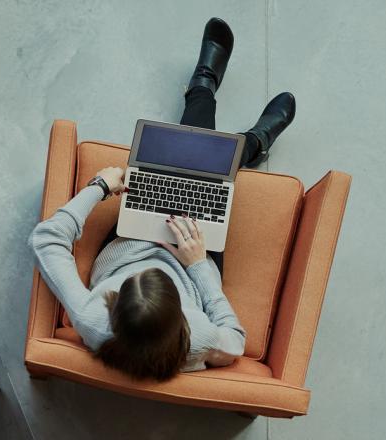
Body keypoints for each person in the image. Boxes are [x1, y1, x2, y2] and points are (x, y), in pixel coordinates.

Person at [27, 17, 295, 383]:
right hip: (194, 254)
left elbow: (45, 239)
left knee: (190, 160)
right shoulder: (198, 336)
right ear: (180, 314)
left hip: (128, 238)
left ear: (112, 305)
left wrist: (100, 186)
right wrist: (197, 264)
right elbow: (235, 341)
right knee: (204, 175)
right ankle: (243, 133)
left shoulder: (92, 318)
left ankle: (221, 106)